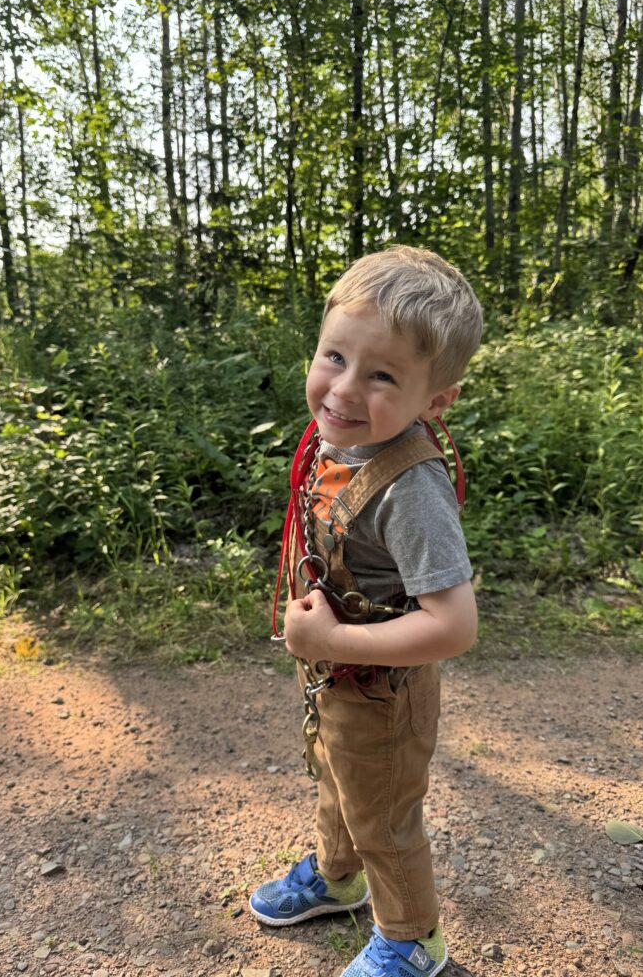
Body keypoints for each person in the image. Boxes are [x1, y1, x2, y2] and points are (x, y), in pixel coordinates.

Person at [248, 246, 483, 977]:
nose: (344, 390)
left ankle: (414, 938)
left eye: (382, 376)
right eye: (334, 357)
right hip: (338, 674)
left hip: (384, 689)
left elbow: (455, 625)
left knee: (384, 814)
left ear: (434, 401)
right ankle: (337, 877)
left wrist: (336, 635)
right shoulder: (336, 438)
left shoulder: (411, 487)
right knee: (337, 777)